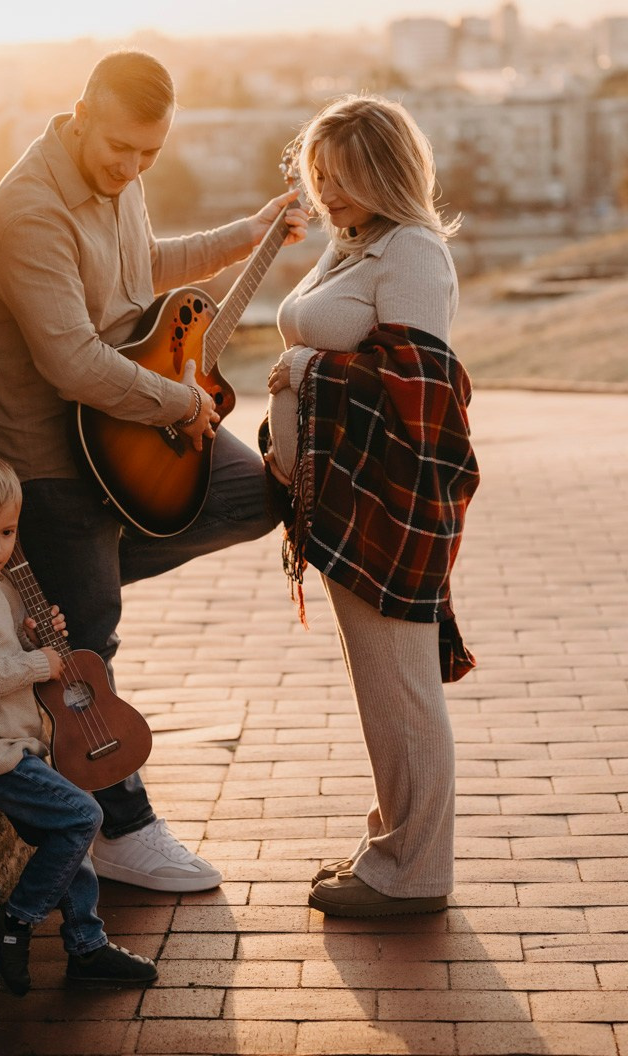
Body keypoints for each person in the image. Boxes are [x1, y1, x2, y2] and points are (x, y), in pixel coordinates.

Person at [0, 50, 308, 893]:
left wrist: (249, 233)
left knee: (253, 495)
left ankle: (59, 586)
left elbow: (143, 267)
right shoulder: (33, 211)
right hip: (48, 454)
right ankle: (122, 829)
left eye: (150, 153)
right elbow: (73, 363)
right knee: (90, 641)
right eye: (121, 148)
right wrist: (178, 403)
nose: (133, 167)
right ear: (80, 114)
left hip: (119, 435)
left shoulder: (120, 178)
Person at [263, 94, 480, 918]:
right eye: (318, 174)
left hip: (387, 502)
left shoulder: (414, 253)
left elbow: (420, 390)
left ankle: (415, 876)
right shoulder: (353, 243)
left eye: (344, 176)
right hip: (343, 501)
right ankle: (392, 847)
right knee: (381, 689)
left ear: (388, 172)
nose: (326, 191)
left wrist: (304, 372)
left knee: (404, 690)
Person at [0, 451, 158, 996]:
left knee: (65, 833)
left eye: (7, 533)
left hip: (15, 738)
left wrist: (34, 639)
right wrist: (36, 664)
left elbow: (6, 651)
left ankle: (87, 947)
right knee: (82, 816)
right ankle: (15, 920)